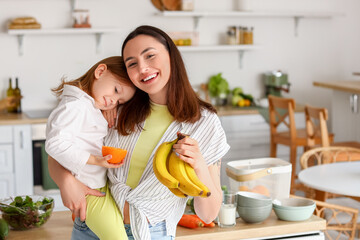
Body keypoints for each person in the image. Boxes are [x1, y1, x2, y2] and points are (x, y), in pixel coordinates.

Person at [48, 25, 230, 240]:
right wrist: (67, 183)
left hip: (151, 233)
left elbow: (207, 214)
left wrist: (198, 163)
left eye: (150, 56)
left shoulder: (204, 123)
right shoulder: (116, 107)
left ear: (172, 56)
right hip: (91, 226)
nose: (142, 68)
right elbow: (57, 150)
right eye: (132, 63)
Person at [45, 56, 135, 240]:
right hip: (88, 189)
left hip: (99, 185)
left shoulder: (88, 104)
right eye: (116, 90)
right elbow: (54, 143)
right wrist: (93, 159)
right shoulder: (75, 106)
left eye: (119, 101)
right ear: (100, 72)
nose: (113, 102)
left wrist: (107, 106)